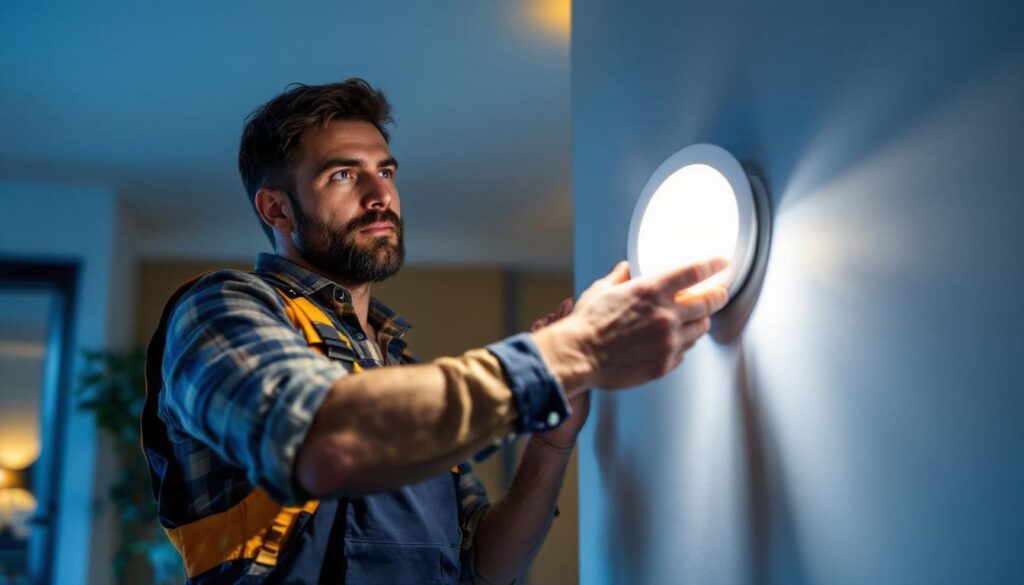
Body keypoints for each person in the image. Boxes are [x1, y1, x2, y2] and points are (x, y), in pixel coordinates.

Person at [141, 79, 729, 585]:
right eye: (343, 174)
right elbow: (321, 439)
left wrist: (552, 439)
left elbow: (484, 567)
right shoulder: (218, 308)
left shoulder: (403, 375)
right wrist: (569, 350)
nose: (381, 196)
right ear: (277, 210)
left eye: (385, 171)